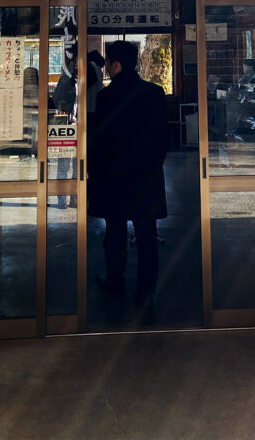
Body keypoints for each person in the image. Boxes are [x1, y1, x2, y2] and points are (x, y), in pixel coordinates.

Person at [88, 39, 168, 318]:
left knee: (115, 232)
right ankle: (146, 292)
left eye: (108, 64)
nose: (106, 69)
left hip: (114, 180)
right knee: (146, 237)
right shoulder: (155, 93)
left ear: (116, 64)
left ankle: (115, 280)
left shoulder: (106, 98)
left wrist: (95, 174)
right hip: (146, 179)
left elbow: (99, 143)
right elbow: (163, 142)